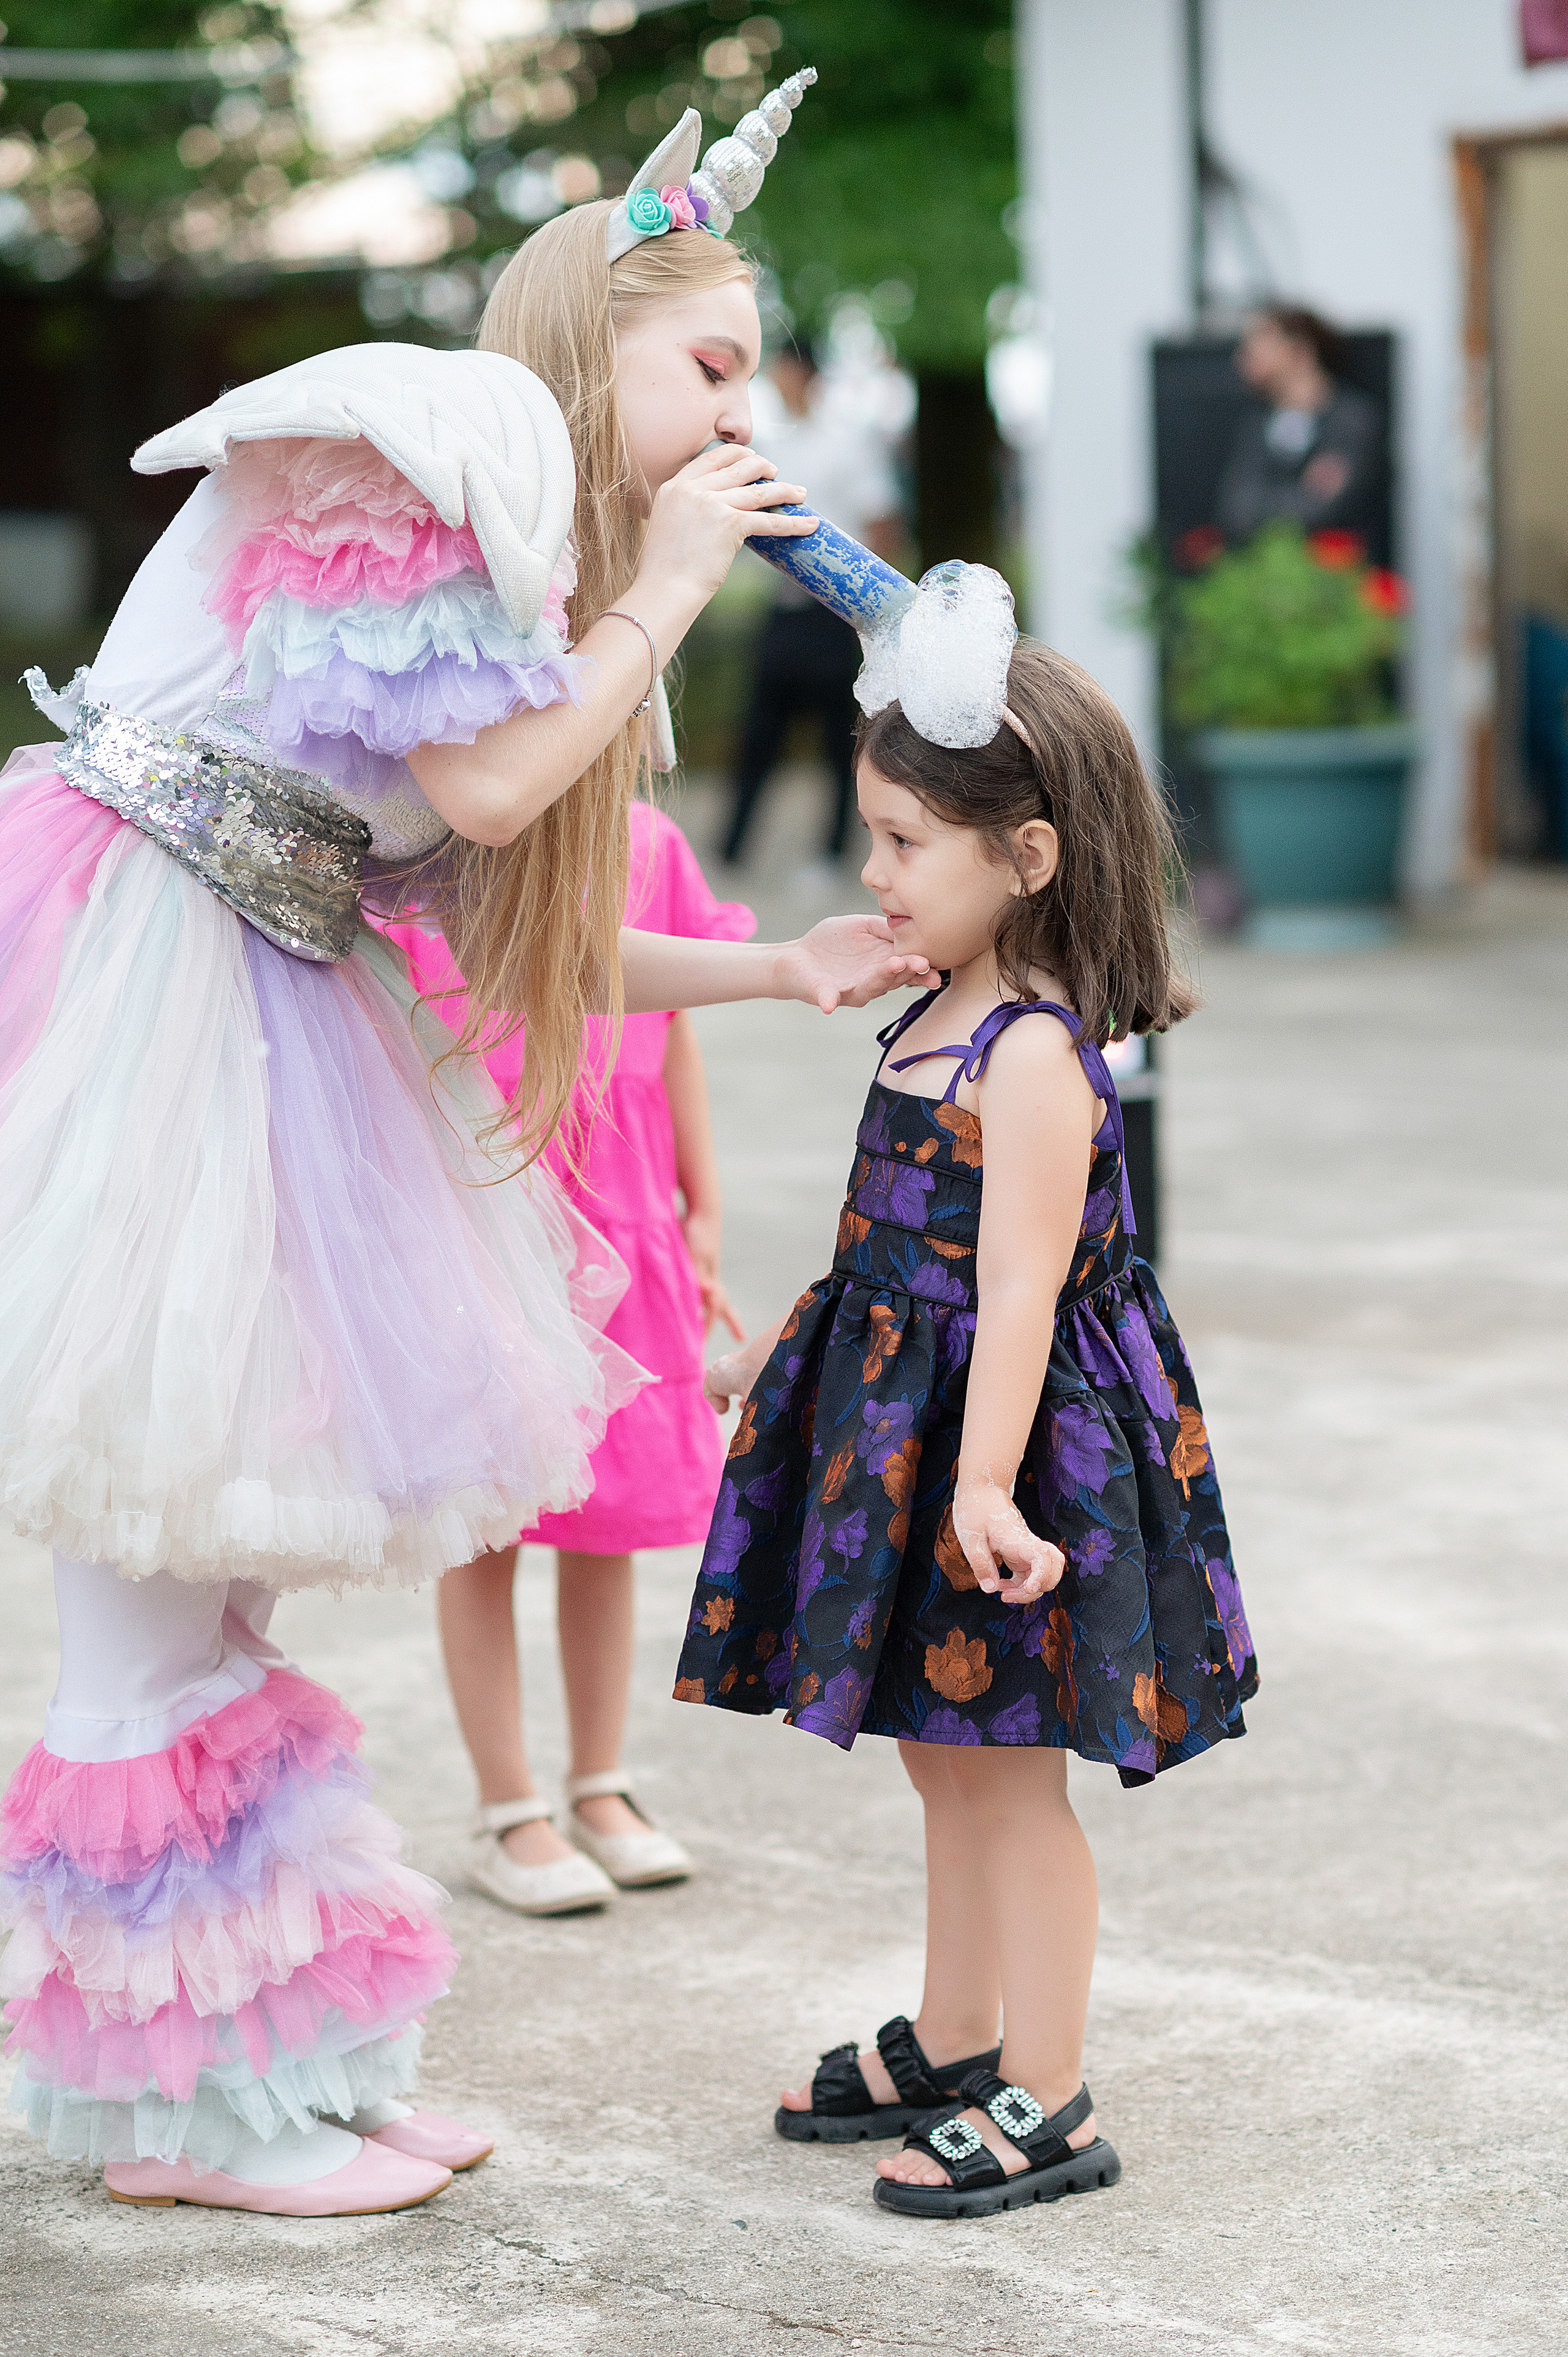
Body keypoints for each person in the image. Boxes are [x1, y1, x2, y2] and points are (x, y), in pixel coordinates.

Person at [0, 71, 935, 2220]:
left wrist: (778, 969)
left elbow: (496, 911)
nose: (741, 405)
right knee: (148, 1609)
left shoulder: (521, 553)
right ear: (591, 330)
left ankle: (276, 2074)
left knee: (217, 1592)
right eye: (714, 358)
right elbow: (502, 800)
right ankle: (181, 2126)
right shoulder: (416, 443)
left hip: (264, 995)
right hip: (149, 1009)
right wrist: (677, 584)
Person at [674, 620, 1258, 2219]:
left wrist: (988, 1481)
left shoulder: (1040, 1054)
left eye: (903, 840)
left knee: (1011, 1775)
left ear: (1031, 851)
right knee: (943, 1746)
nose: (874, 868)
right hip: (913, 1425)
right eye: (872, 832)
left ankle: (1049, 2084)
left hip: (1002, 1453)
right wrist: (776, 1366)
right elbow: (894, 1246)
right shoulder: (934, 1002)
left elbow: (1017, 1291)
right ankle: (956, 2027)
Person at [382, 801, 752, 1913]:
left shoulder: (648, 845)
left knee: (614, 1513)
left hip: (625, 1202)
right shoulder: (432, 851)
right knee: (488, 1517)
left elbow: (673, 1021)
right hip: (485, 1203)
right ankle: (510, 1808)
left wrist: (703, 1207)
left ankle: (601, 1783)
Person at [722, 336, 903, 877]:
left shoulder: (847, 445)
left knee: (837, 742)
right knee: (760, 732)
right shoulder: (773, 446)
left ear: (805, 374)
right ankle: (731, 850)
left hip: (833, 615)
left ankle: (832, 854)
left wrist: (867, 607)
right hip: (782, 608)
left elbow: (882, 520)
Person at [1215, 305, 1383, 548]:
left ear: (1299, 351)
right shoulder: (1257, 422)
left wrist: (1266, 503)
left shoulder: (1352, 419)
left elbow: (1323, 507)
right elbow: (1235, 509)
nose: (1243, 358)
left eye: (1258, 346)